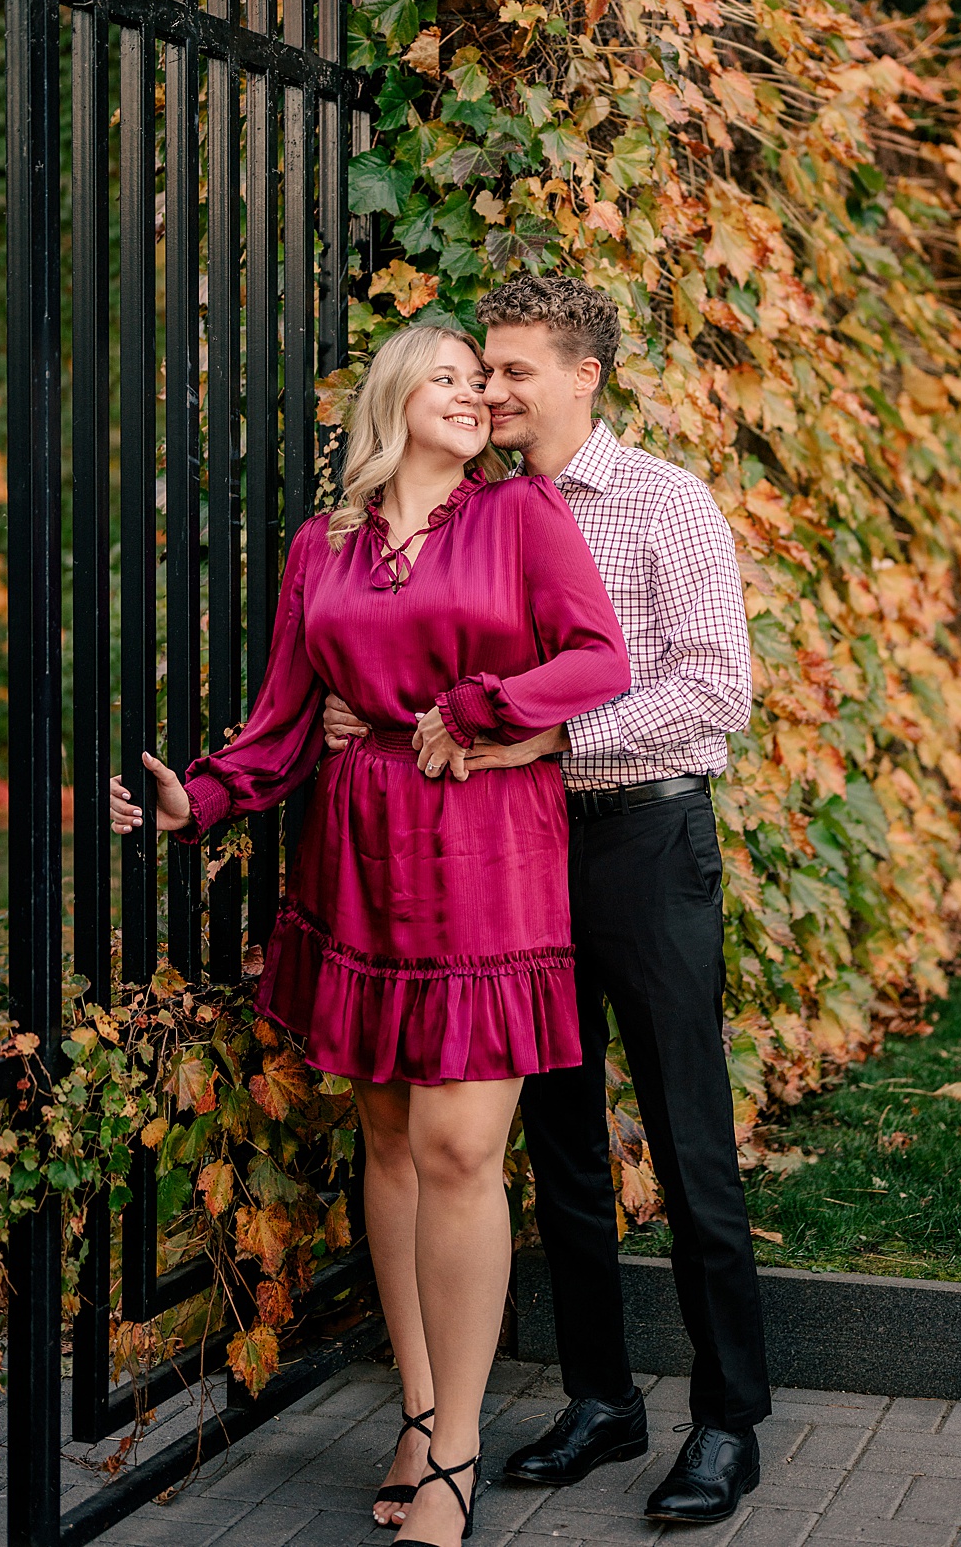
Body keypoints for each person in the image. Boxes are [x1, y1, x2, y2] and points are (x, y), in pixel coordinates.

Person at [108, 323, 631, 1547]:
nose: (473, 396)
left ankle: (457, 1453)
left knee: (457, 1146)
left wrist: (478, 703)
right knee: (390, 1144)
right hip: (359, 854)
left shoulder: (519, 516)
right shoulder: (322, 546)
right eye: (448, 377)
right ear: (394, 399)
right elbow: (285, 720)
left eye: (481, 381)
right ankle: (417, 1405)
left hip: (488, 842)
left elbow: (597, 659)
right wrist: (202, 796)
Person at [321, 275, 766, 1524]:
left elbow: (712, 687)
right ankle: (601, 1400)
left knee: (685, 1136)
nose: (492, 390)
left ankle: (728, 1419)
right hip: (505, 858)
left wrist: (543, 746)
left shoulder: (662, 502)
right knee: (556, 1141)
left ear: (584, 376)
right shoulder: (475, 511)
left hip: (639, 838)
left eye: (513, 370)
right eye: (482, 371)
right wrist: (376, 711)